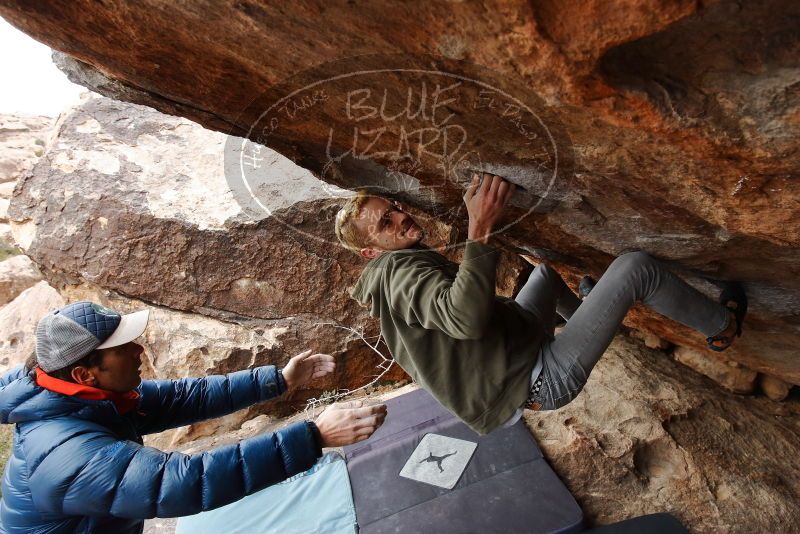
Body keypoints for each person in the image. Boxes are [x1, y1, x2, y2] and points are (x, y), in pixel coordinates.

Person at [334, 173, 745, 435]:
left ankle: (592, 315)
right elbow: (463, 319)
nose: (401, 217)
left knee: (546, 274)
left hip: (517, 343)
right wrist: (481, 227)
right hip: (540, 379)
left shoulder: (393, 272)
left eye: (394, 209)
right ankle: (723, 327)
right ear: (370, 253)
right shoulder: (398, 274)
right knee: (636, 268)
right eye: (385, 224)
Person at [0, 301, 387, 533]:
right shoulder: (65, 452)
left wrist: (278, 380)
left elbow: (185, 397)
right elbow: (184, 482)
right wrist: (313, 436)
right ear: (85, 373)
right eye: (122, 347)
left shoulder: (75, 394)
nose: (138, 350)